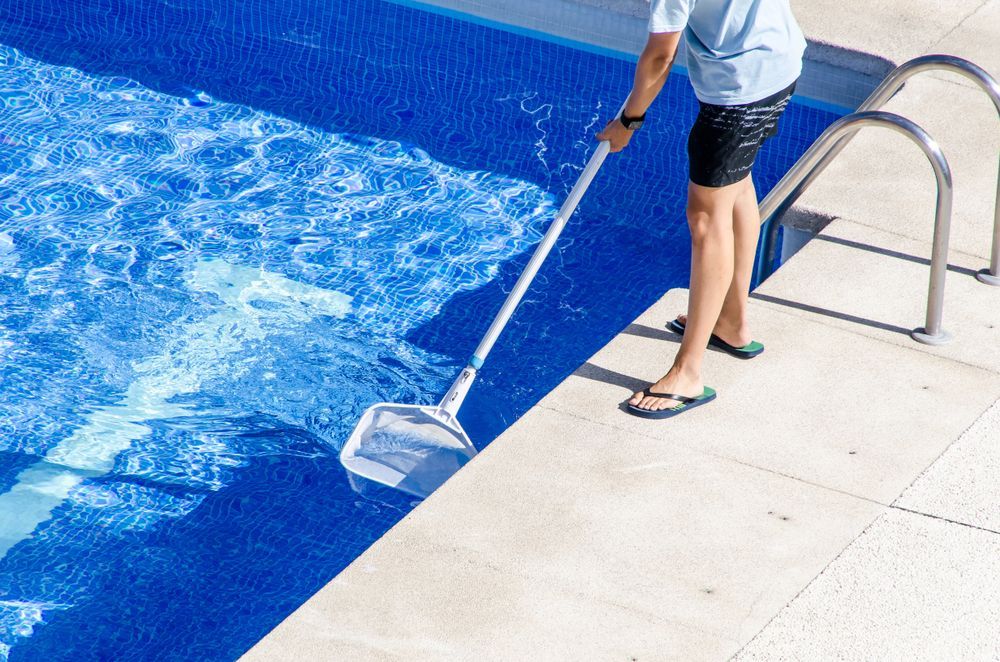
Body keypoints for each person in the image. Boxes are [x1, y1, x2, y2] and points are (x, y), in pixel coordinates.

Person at [596, 0, 806, 419]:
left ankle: (687, 373)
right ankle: (731, 321)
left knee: (705, 219)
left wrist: (629, 121)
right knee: (736, 186)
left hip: (737, 94)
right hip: (779, 65)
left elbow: (661, 55)